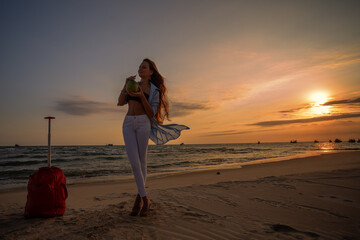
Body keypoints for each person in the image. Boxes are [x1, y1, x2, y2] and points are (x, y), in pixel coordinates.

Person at [117, 58, 189, 217]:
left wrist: (142, 96)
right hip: (128, 123)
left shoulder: (154, 90)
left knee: (141, 162)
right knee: (135, 164)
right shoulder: (131, 84)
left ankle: (138, 199)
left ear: (151, 72)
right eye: (139, 67)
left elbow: (151, 113)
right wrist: (125, 85)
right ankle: (146, 199)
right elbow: (120, 103)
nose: (140, 69)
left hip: (143, 123)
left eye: (144, 67)